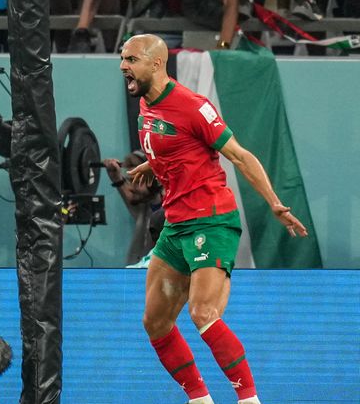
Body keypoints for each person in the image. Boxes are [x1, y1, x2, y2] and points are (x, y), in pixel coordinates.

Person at [119, 34, 308, 404]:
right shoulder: (145, 104)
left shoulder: (193, 106)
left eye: (131, 59)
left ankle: (249, 400)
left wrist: (273, 203)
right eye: (122, 59)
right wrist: (153, 162)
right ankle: (200, 400)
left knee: (203, 312)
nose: (124, 65)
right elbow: (174, 143)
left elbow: (239, 155)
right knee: (155, 323)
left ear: (157, 63)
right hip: (176, 226)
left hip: (212, 220)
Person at [103, 150, 163, 265]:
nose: (130, 188)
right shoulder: (146, 207)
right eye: (130, 181)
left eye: (136, 181)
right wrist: (116, 178)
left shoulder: (169, 213)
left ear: (155, 180)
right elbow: (131, 197)